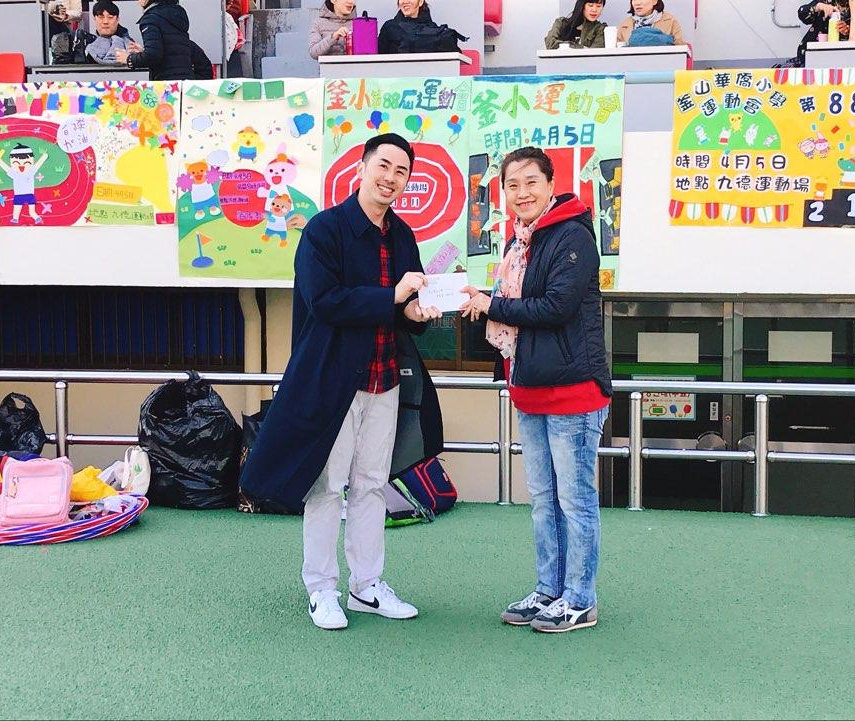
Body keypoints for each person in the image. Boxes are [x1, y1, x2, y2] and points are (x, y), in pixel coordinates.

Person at [239, 133, 444, 632]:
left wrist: (416, 312)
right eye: (383, 166)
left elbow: (404, 308)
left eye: (401, 171)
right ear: (361, 167)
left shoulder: (402, 234)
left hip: (386, 379)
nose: (391, 178)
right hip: (333, 381)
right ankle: (321, 588)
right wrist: (392, 296)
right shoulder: (324, 230)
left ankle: (367, 586)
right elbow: (324, 300)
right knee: (327, 487)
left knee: (373, 485)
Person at [459, 146, 612, 634]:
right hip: (530, 388)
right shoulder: (519, 241)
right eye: (512, 185)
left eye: (530, 182)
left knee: (575, 502)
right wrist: (484, 303)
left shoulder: (573, 235)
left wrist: (492, 306)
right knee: (544, 500)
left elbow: (555, 307)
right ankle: (549, 590)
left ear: (551, 185)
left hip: (574, 392)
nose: (521, 193)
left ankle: (580, 599)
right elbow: (514, 303)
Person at [117, 0, 213, 80]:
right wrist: (144, 51)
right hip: (183, 85)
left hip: (165, 86)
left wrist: (129, 59)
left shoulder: (150, 19)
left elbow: (153, 56)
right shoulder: (176, 16)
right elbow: (173, 50)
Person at [377, 0, 465, 54]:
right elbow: (378, 58)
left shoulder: (432, 28)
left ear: (420, 2)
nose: (405, 1)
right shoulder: (390, 26)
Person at [84, 0, 133, 65]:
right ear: (94, 19)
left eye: (110, 17)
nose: (105, 22)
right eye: (101, 17)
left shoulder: (131, 47)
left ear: (117, 19)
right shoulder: (86, 45)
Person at [615, 0, 685, 45]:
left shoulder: (670, 21)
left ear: (655, 1)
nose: (637, 3)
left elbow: (680, 49)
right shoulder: (625, 25)